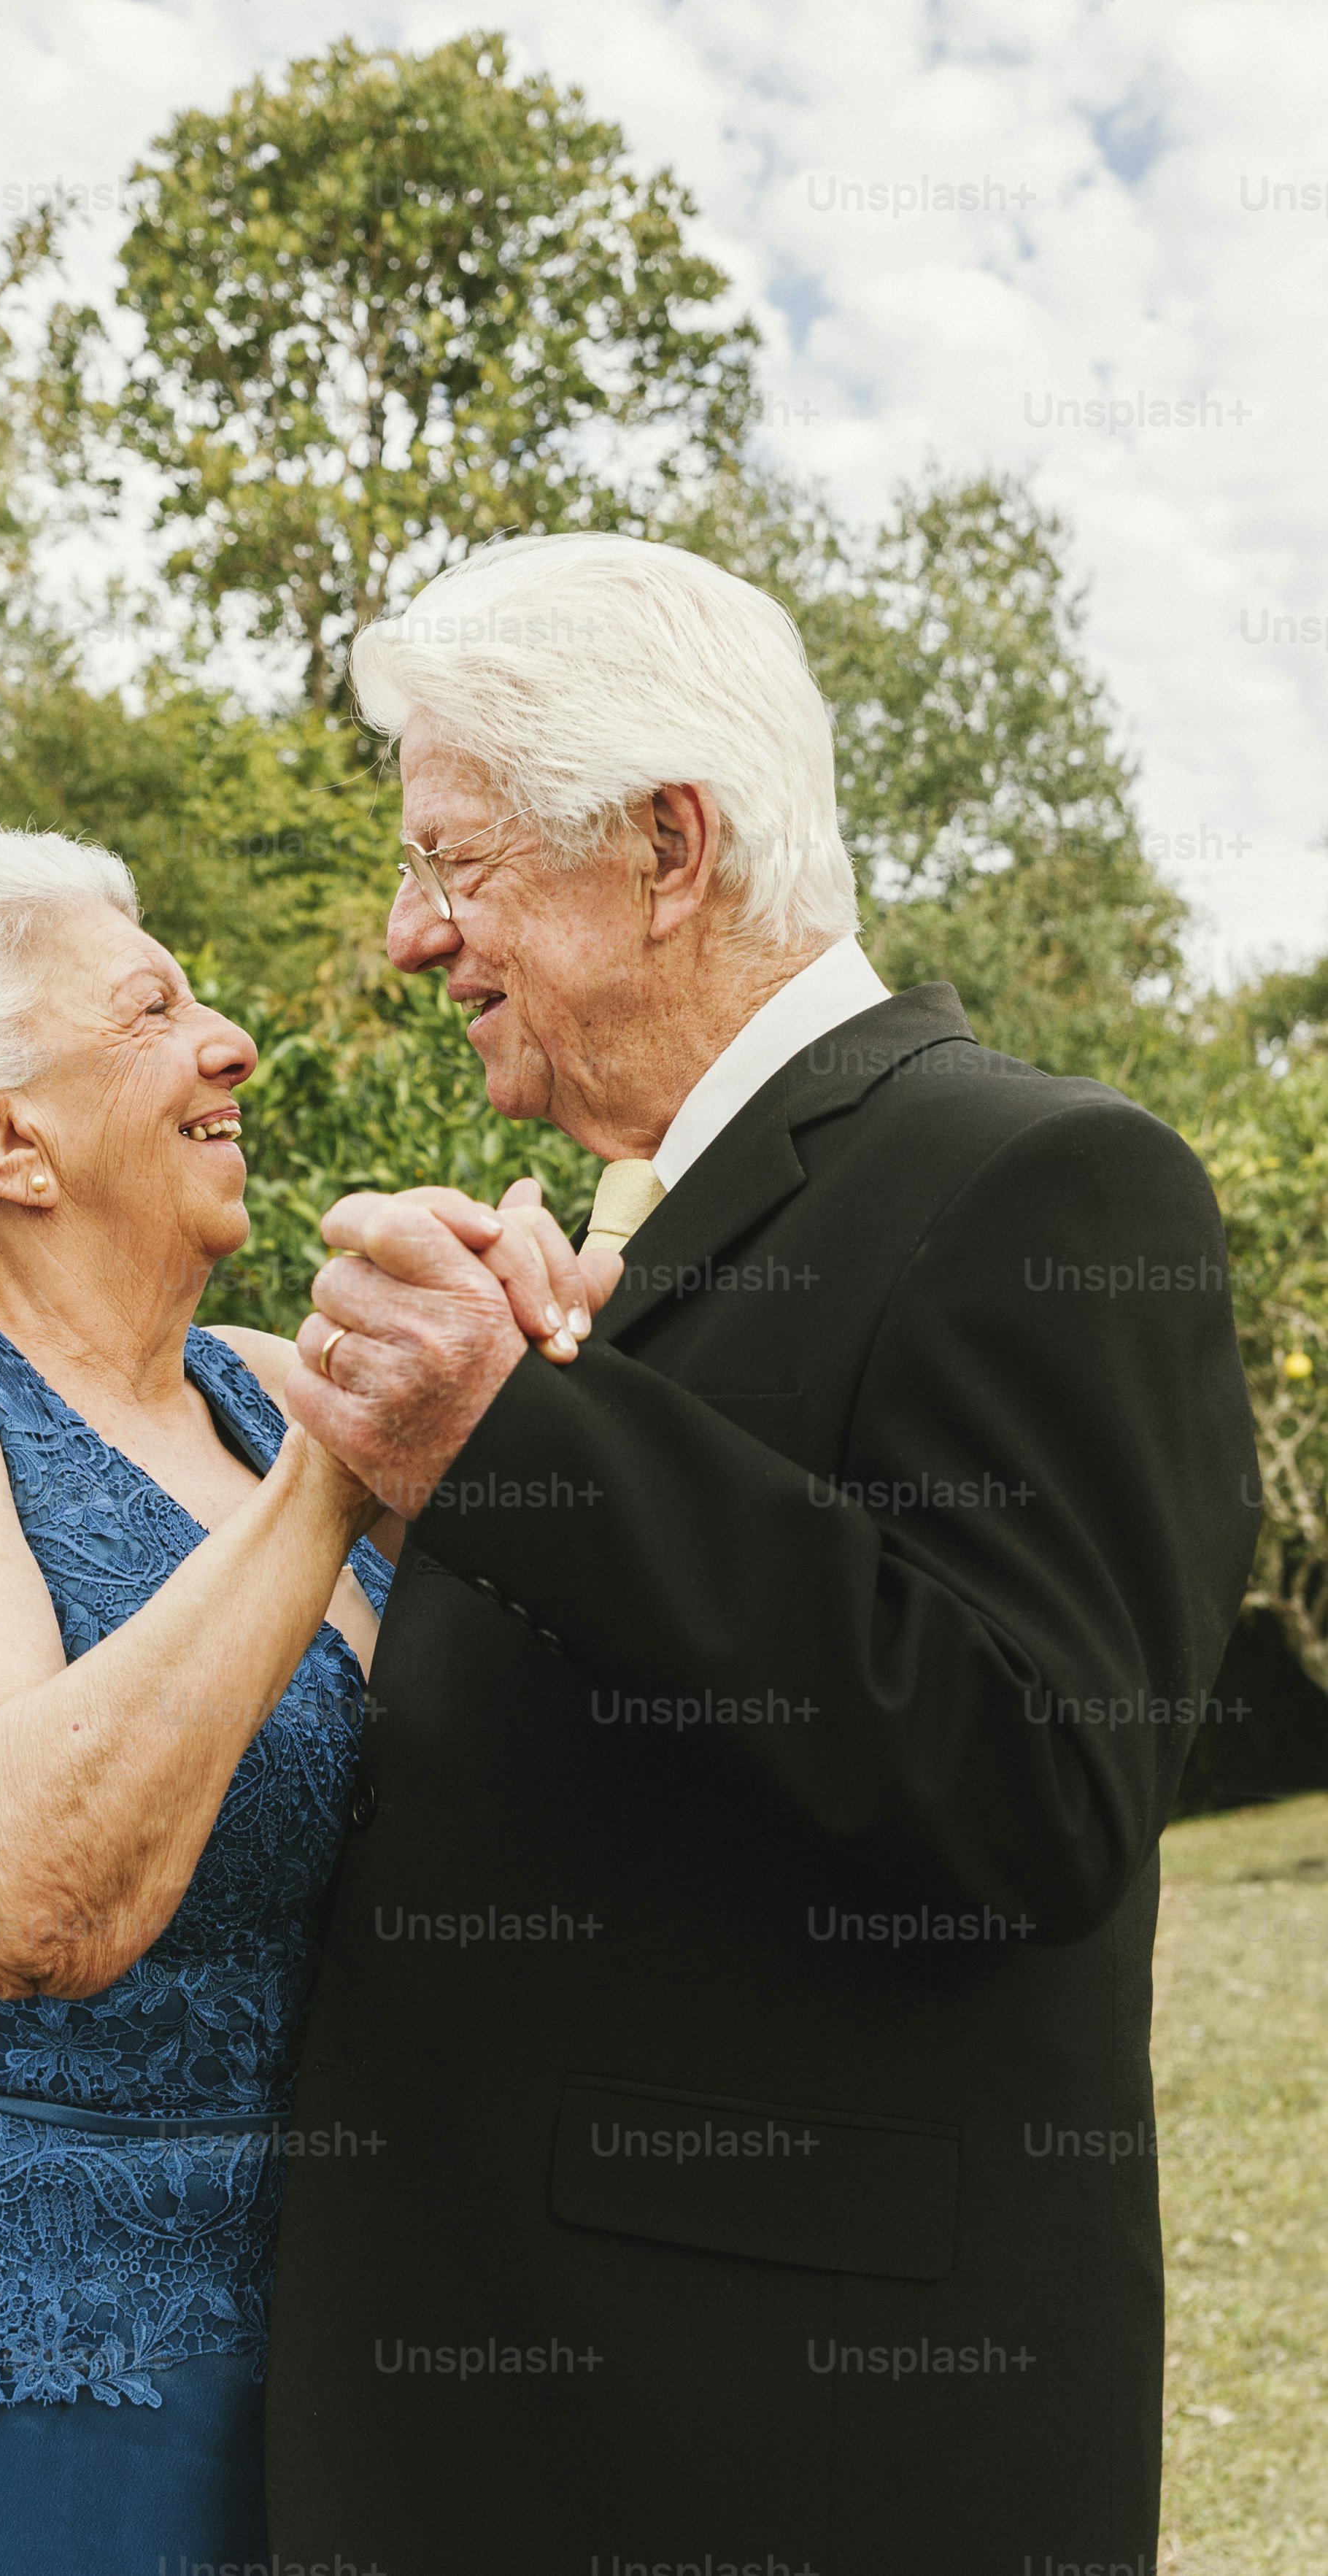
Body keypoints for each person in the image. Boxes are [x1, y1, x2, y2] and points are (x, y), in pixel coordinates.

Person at [266, 532, 1260, 2576]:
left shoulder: (1038, 1172)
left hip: (770, 2446)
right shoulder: (637, 1229)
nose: (407, 935)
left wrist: (514, 1442)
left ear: (667, 844)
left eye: (453, 864)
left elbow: (1043, 1780)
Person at [0, 826, 576, 2576]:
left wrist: (541, 1343)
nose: (232, 1037)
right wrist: (338, 1466)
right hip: (23, 2407)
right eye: (151, 1007)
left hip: (342, 2359)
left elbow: (574, 1717)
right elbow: (21, 1898)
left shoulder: (255, 1389)